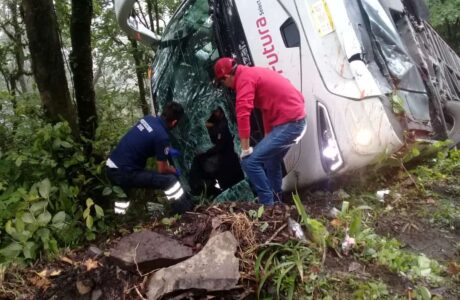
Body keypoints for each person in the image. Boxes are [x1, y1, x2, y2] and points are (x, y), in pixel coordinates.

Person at [213, 57, 307, 205]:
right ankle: (276, 202)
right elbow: (266, 108)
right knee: (272, 160)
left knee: (249, 162)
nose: (226, 86)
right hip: (295, 121)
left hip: (291, 123)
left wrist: (244, 149)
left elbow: (243, 113)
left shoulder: (244, 79)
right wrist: (268, 134)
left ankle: (267, 205)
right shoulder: (251, 73)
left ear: (226, 77)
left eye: (222, 83)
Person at [106, 102, 192, 214]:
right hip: (125, 172)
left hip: (111, 166)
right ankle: (184, 213)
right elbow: (162, 169)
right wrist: (175, 171)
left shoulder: (148, 119)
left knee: (123, 198)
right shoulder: (162, 137)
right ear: (174, 122)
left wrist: (167, 151)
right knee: (171, 181)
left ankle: (120, 219)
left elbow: (147, 142)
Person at [189, 107, 244, 197]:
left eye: (216, 111)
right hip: (226, 159)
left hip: (228, 160)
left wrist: (206, 153)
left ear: (221, 111)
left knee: (230, 181)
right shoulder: (218, 123)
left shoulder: (224, 126)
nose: (214, 113)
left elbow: (220, 145)